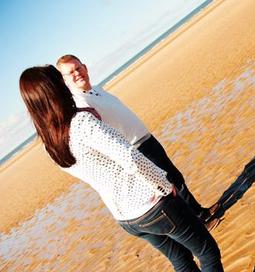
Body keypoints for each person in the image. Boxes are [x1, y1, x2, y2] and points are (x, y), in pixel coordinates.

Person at [19, 65, 255, 272]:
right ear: (55, 90)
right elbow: (130, 157)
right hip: (151, 204)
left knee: (181, 261)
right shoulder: (81, 124)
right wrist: (164, 183)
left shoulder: (52, 144)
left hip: (126, 218)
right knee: (206, 251)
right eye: (60, 80)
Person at [56, 54, 220, 229]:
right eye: (70, 73)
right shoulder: (80, 103)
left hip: (146, 139)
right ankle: (199, 222)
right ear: (64, 81)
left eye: (78, 68)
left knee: (175, 177)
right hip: (135, 147)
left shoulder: (97, 89)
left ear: (85, 67)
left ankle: (200, 212)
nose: (77, 73)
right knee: (169, 184)